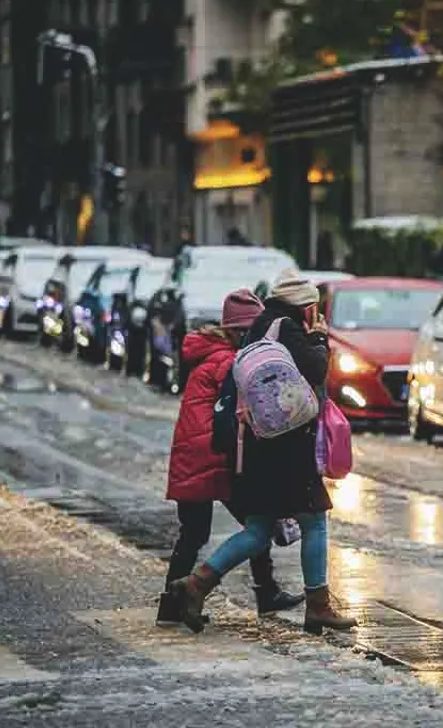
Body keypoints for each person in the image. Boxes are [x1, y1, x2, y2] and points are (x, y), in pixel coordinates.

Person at [168, 269, 357, 635]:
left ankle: (195, 584)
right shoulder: (287, 327)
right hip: (285, 450)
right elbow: (316, 370)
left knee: (257, 530)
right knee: (315, 519)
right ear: (305, 305)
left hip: (255, 447)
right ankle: (318, 606)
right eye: (313, 308)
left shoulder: (259, 327)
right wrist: (319, 339)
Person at [156, 288, 303, 627]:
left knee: (193, 534)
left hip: (193, 455)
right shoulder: (228, 361)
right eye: (252, 331)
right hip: (213, 456)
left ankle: (170, 605)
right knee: (257, 523)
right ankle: (264, 592)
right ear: (239, 331)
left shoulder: (212, 354)